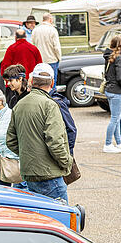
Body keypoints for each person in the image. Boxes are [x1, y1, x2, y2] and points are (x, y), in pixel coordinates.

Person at [6, 63, 72, 201]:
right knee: (60, 218)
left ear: (32, 81)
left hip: (29, 173)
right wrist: (67, 162)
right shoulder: (50, 105)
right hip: (49, 174)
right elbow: (55, 141)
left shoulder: (19, 105)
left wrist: (28, 154)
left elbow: (11, 140)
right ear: (52, 83)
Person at [102, 35, 121, 153]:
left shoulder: (110, 56)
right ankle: (108, 144)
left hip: (110, 89)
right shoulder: (119, 58)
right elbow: (120, 76)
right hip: (117, 90)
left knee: (116, 118)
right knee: (115, 119)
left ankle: (119, 142)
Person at [31, 13, 61, 78]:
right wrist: (59, 58)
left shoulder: (35, 30)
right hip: (51, 60)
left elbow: (32, 45)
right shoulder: (53, 30)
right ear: (50, 20)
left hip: (39, 60)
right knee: (51, 80)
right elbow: (56, 47)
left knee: (40, 80)